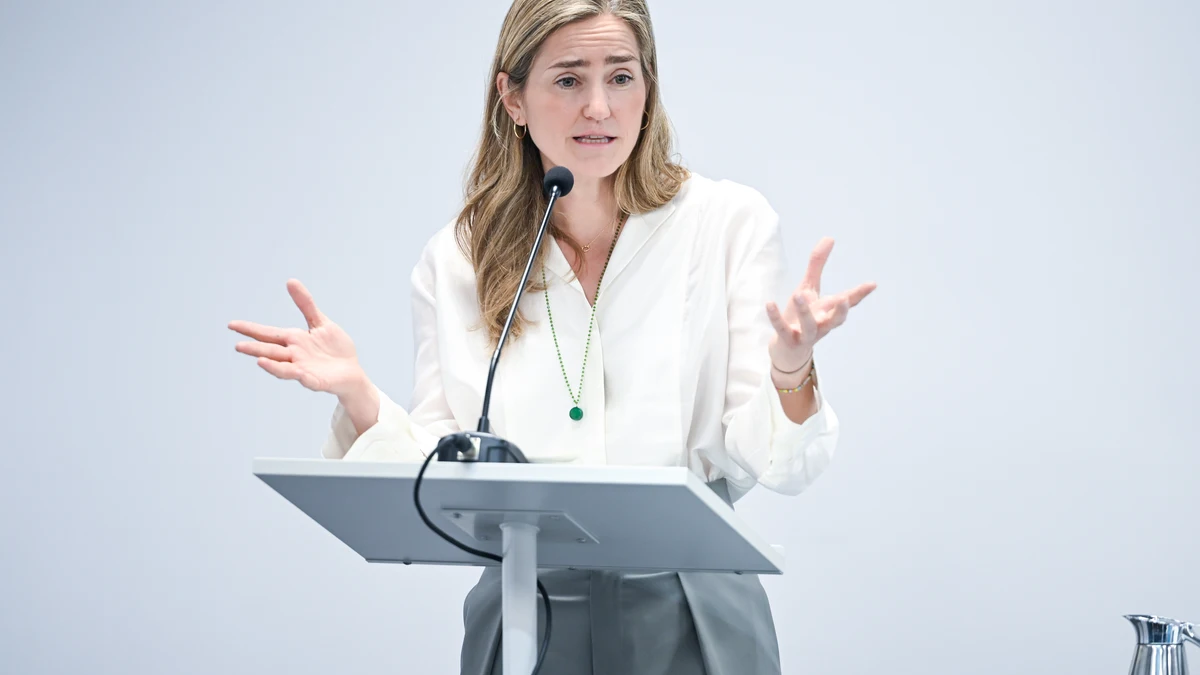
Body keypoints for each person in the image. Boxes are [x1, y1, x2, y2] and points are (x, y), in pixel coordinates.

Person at [229, 1, 875, 672]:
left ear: (648, 88)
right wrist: (359, 396)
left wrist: (791, 368)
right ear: (512, 97)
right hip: (524, 609)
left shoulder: (726, 222)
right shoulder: (458, 257)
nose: (599, 107)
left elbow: (774, 462)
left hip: (691, 605)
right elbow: (449, 468)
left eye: (621, 77)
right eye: (569, 79)